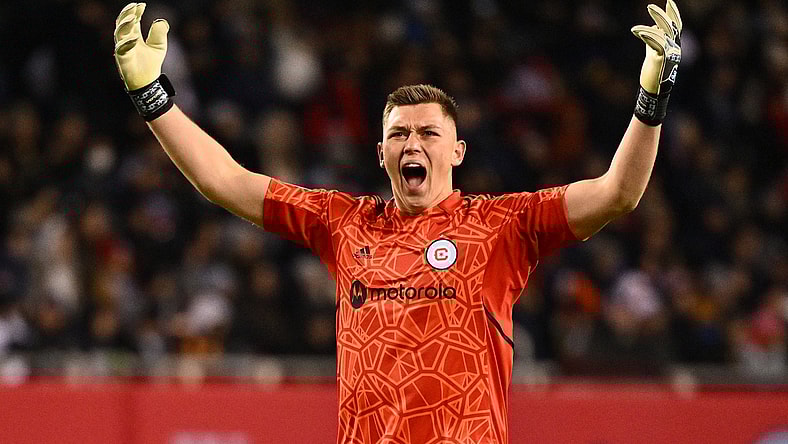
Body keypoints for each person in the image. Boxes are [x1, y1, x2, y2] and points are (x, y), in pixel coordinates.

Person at [113, 1, 682, 442]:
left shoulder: (504, 225)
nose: (413, 143)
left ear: (457, 151)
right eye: (399, 134)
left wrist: (651, 97)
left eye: (429, 133)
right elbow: (226, 181)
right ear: (381, 154)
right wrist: (152, 96)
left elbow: (618, 193)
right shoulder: (343, 223)